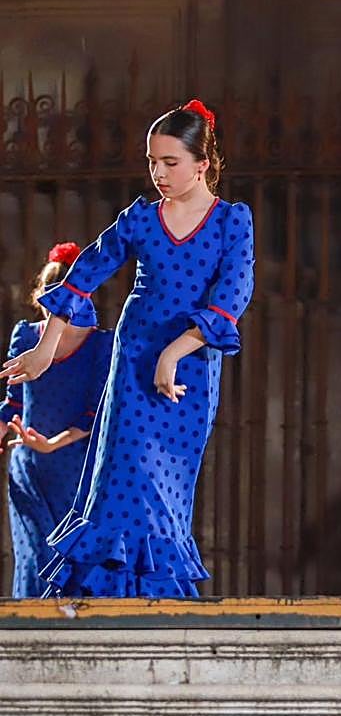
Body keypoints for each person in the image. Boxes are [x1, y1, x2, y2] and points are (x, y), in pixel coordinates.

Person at [0, 99, 254, 597]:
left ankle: (157, 602)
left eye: (170, 162)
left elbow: (233, 293)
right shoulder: (140, 218)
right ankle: (107, 600)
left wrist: (175, 352)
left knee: (166, 489)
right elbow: (83, 275)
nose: (158, 173)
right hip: (135, 356)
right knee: (125, 475)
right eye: (152, 162)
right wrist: (47, 351)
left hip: (190, 367)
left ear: (202, 164)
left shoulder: (231, 222)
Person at [1, 243, 114, 597]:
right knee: (34, 556)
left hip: (77, 472)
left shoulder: (101, 345)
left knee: (69, 561)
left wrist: (52, 443)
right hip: (28, 469)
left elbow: (96, 414)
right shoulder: (24, 336)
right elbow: (12, 402)